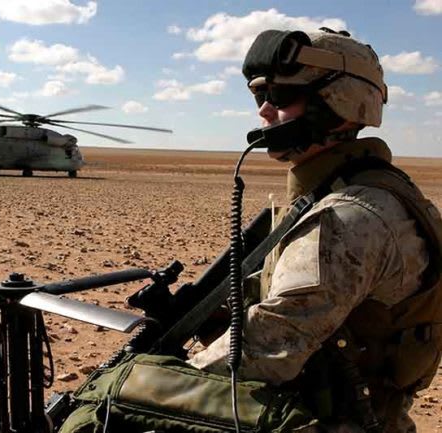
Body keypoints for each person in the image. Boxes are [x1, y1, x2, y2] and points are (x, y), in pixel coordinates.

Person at [188, 28, 442, 433]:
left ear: (337, 101)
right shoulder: (360, 189)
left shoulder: (347, 217)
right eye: (260, 96)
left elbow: (268, 348)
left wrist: (159, 370)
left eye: (282, 95)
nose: (265, 111)